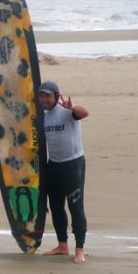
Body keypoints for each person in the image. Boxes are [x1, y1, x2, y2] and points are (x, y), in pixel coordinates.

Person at [38, 80, 89, 264]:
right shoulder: (41, 115)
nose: (44, 98)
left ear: (56, 96)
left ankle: (80, 249)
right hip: (54, 164)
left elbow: (85, 113)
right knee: (56, 206)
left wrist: (73, 107)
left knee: (75, 206)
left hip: (73, 164)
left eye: (47, 95)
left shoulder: (67, 111)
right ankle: (62, 245)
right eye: (41, 95)